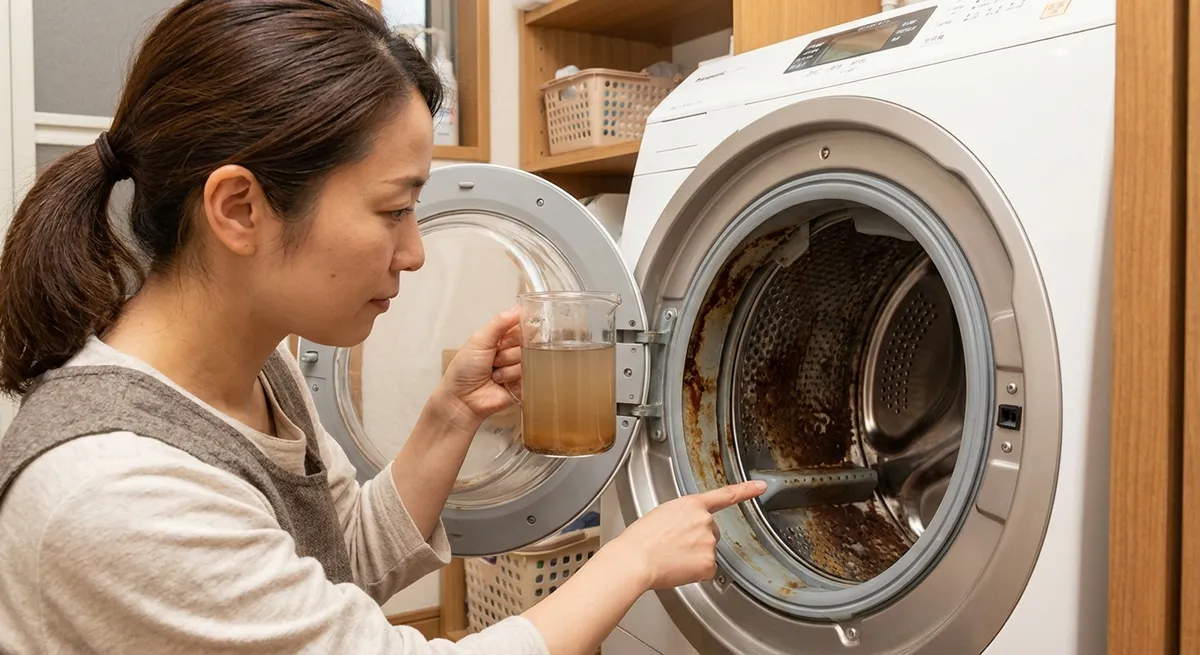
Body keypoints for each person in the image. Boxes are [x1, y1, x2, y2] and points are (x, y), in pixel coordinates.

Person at [0, 1, 766, 654]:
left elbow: (344, 560)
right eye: (394, 208)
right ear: (239, 209)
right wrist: (631, 560)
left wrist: (451, 414)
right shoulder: (116, 492)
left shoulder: (257, 369)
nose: (415, 250)